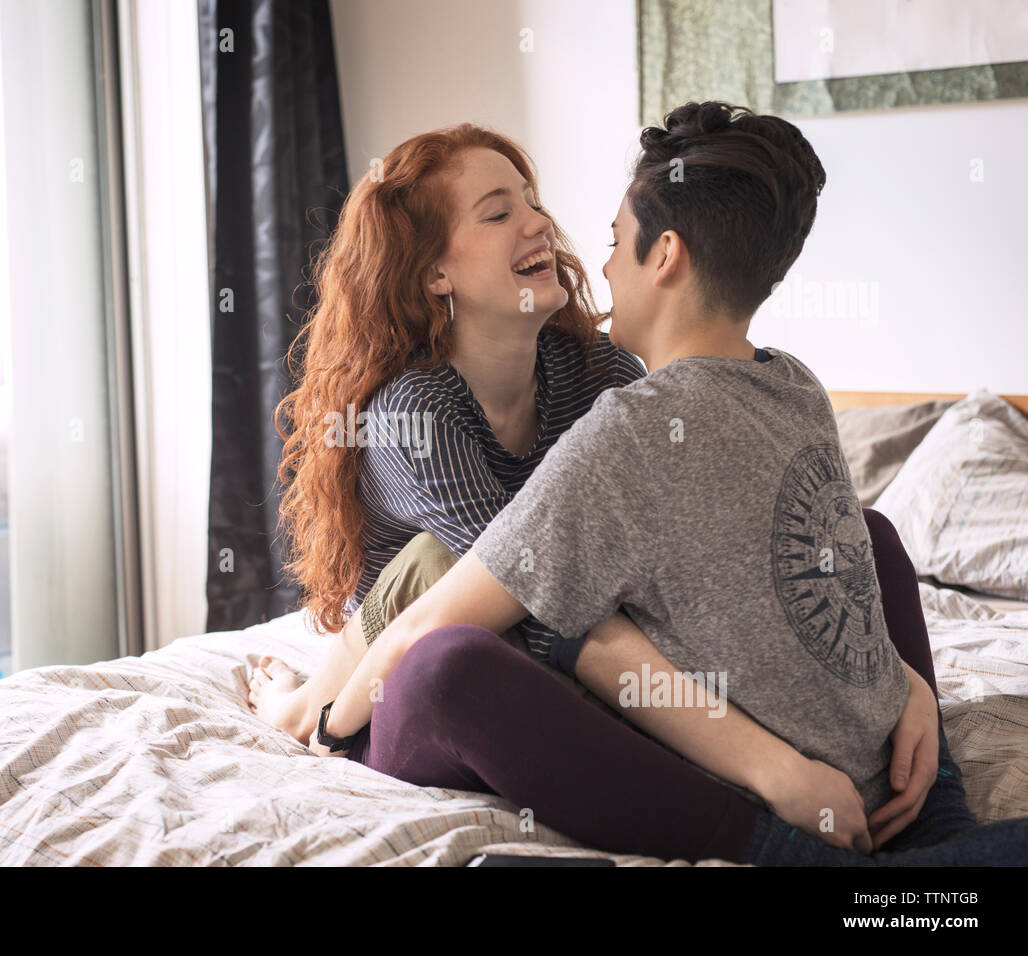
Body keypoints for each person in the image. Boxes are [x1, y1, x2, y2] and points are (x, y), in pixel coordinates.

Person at [292, 103, 1028, 866]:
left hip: (560, 630)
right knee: (456, 648)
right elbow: (527, 613)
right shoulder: (427, 411)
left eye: (537, 203)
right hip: (421, 635)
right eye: (497, 213)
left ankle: (929, 804)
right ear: (434, 270)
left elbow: (705, 533)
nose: (551, 230)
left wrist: (904, 686)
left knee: (869, 535)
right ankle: (800, 848)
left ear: (665, 256)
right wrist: (324, 720)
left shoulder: (619, 382)